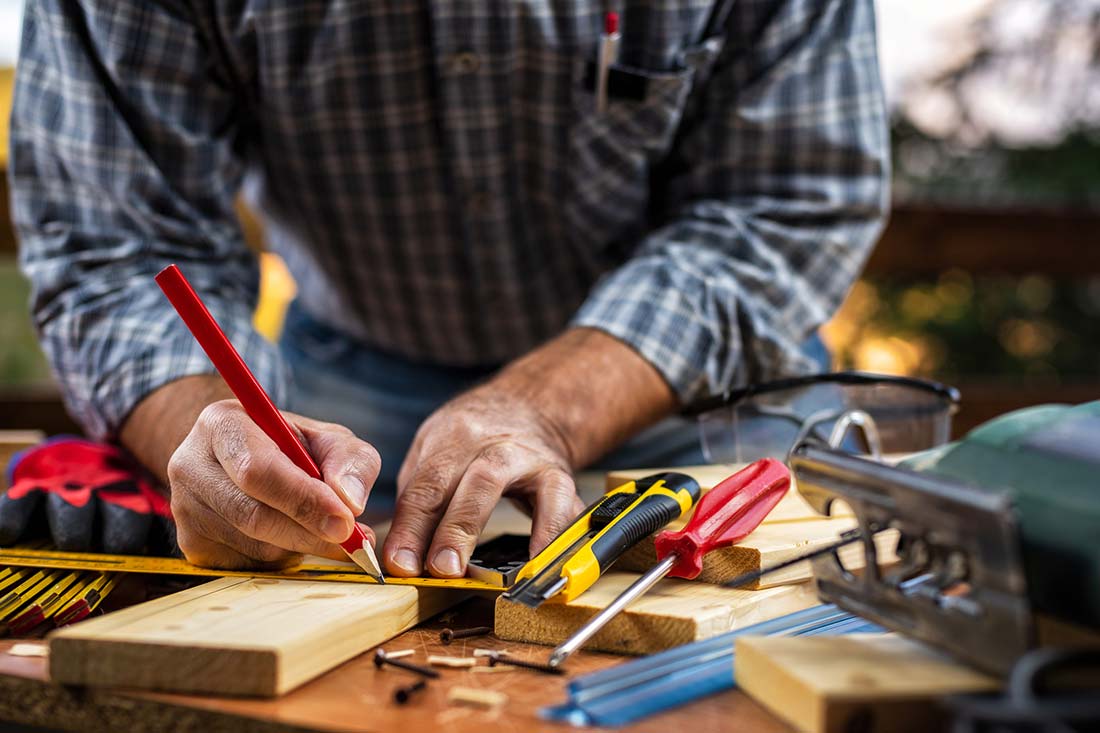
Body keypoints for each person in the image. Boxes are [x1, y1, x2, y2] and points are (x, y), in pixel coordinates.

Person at [10, 0, 888, 579]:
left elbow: (781, 205)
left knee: (784, 627)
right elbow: (116, 245)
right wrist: (222, 444)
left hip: (697, 390)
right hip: (352, 398)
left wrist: (548, 403)